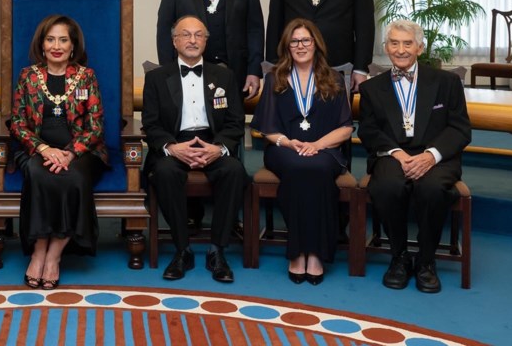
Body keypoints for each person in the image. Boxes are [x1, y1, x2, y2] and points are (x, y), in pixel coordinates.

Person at [155, 0, 263, 230]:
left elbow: (256, 28)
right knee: (187, 131)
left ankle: (231, 213)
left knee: (230, 136)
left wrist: (255, 69)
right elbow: (165, 27)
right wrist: (168, 73)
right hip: (188, 67)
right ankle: (191, 210)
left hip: (235, 71)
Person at [357, 19, 471, 294]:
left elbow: (459, 129)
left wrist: (431, 155)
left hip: (436, 156)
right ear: (386, 48)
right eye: (394, 43)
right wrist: (397, 153)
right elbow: (368, 130)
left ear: (420, 47)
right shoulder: (372, 88)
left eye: (407, 43)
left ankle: (426, 260)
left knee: (432, 188)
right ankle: (399, 256)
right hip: (392, 154)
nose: (400, 49)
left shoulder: (447, 83)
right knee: (387, 186)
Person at [142, 15, 248, 283]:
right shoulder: (156, 78)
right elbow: (151, 124)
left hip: (212, 141)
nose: (192, 40)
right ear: (174, 41)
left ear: (206, 40)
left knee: (234, 171)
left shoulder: (224, 75)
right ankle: (182, 250)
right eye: (185, 35)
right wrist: (173, 148)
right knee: (165, 173)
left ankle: (217, 251)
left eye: (198, 35)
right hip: (175, 143)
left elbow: (236, 122)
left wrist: (218, 148)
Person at [9, 14, 109, 291]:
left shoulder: (86, 76)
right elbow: (17, 122)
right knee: (40, 176)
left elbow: (96, 125)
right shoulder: (28, 76)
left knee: (73, 178)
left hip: (81, 153)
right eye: (50, 39)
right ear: (41, 45)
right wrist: (43, 149)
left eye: (63, 40)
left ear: (73, 46)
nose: (57, 45)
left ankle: (54, 256)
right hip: (36, 150)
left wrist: (70, 153)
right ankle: (38, 251)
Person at [250, 18, 353, 285]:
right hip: (284, 149)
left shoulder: (335, 79)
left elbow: (345, 129)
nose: (300, 46)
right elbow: (266, 129)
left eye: (306, 40)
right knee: (299, 166)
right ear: (287, 46)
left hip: (325, 150)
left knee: (316, 167)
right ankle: (298, 251)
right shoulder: (275, 78)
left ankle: (315, 253)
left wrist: (317, 145)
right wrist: (288, 142)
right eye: (294, 41)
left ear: (316, 44)